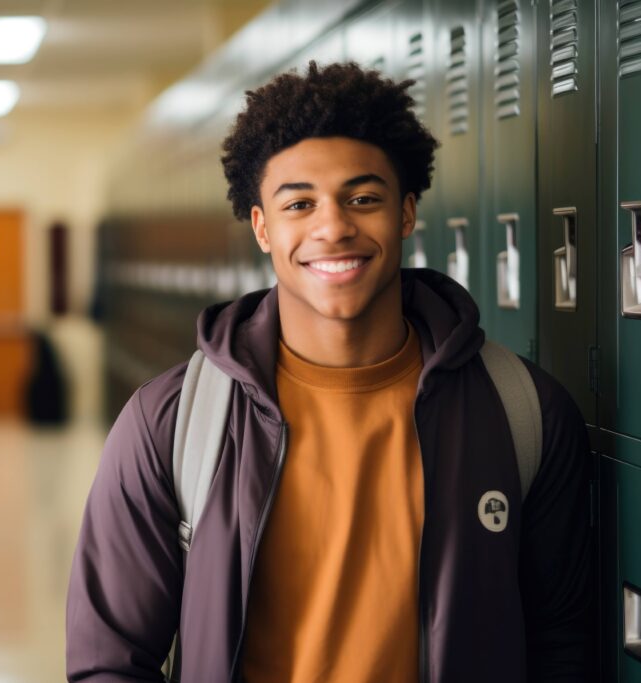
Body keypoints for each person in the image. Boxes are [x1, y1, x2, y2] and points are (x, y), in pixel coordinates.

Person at [66, 61, 595, 682]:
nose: (334, 226)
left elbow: (563, 644)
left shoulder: (524, 413)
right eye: (299, 203)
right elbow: (109, 660)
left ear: (405, 213)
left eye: (363, 198)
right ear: (262, 227)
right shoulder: (173, 426)